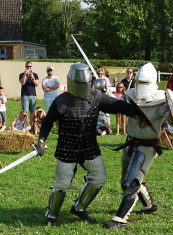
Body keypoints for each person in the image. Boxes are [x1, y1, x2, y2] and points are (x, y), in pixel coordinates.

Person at [35, 63, 143, 227]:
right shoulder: (61, 101)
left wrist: (136, 113)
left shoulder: (96, 97)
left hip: (89, 146)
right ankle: (51, 215)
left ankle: (79, 207)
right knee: (62, 184)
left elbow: (117, 105)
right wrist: (41, 140)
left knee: (99, 179)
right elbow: (48, 122)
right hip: (67, 147)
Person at [104, 63, 172, 229]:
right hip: (130, 142)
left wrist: (172, 113)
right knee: (124, 182)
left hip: (147, 146)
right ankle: (149, 205)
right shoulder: (130, 94)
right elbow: (122, 106)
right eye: (139, 82)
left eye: (144, 83)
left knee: (131, 183)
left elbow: (171, 118)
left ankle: (120, 219)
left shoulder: (160, 100)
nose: (141, 86)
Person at [19, 61, 39, 126]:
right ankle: (25, 126)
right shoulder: (21, 74)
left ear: (32, 67)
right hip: (25, 95)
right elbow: (23, 83)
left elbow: (37, 84)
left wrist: (32, 77)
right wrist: (25, 75)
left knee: (32, 112)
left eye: (30, 66)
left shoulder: (35, 74)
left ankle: (32, 127)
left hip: (33, 94)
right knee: (25, 112)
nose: (28, 68)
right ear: (25, 67)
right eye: (27, 66)